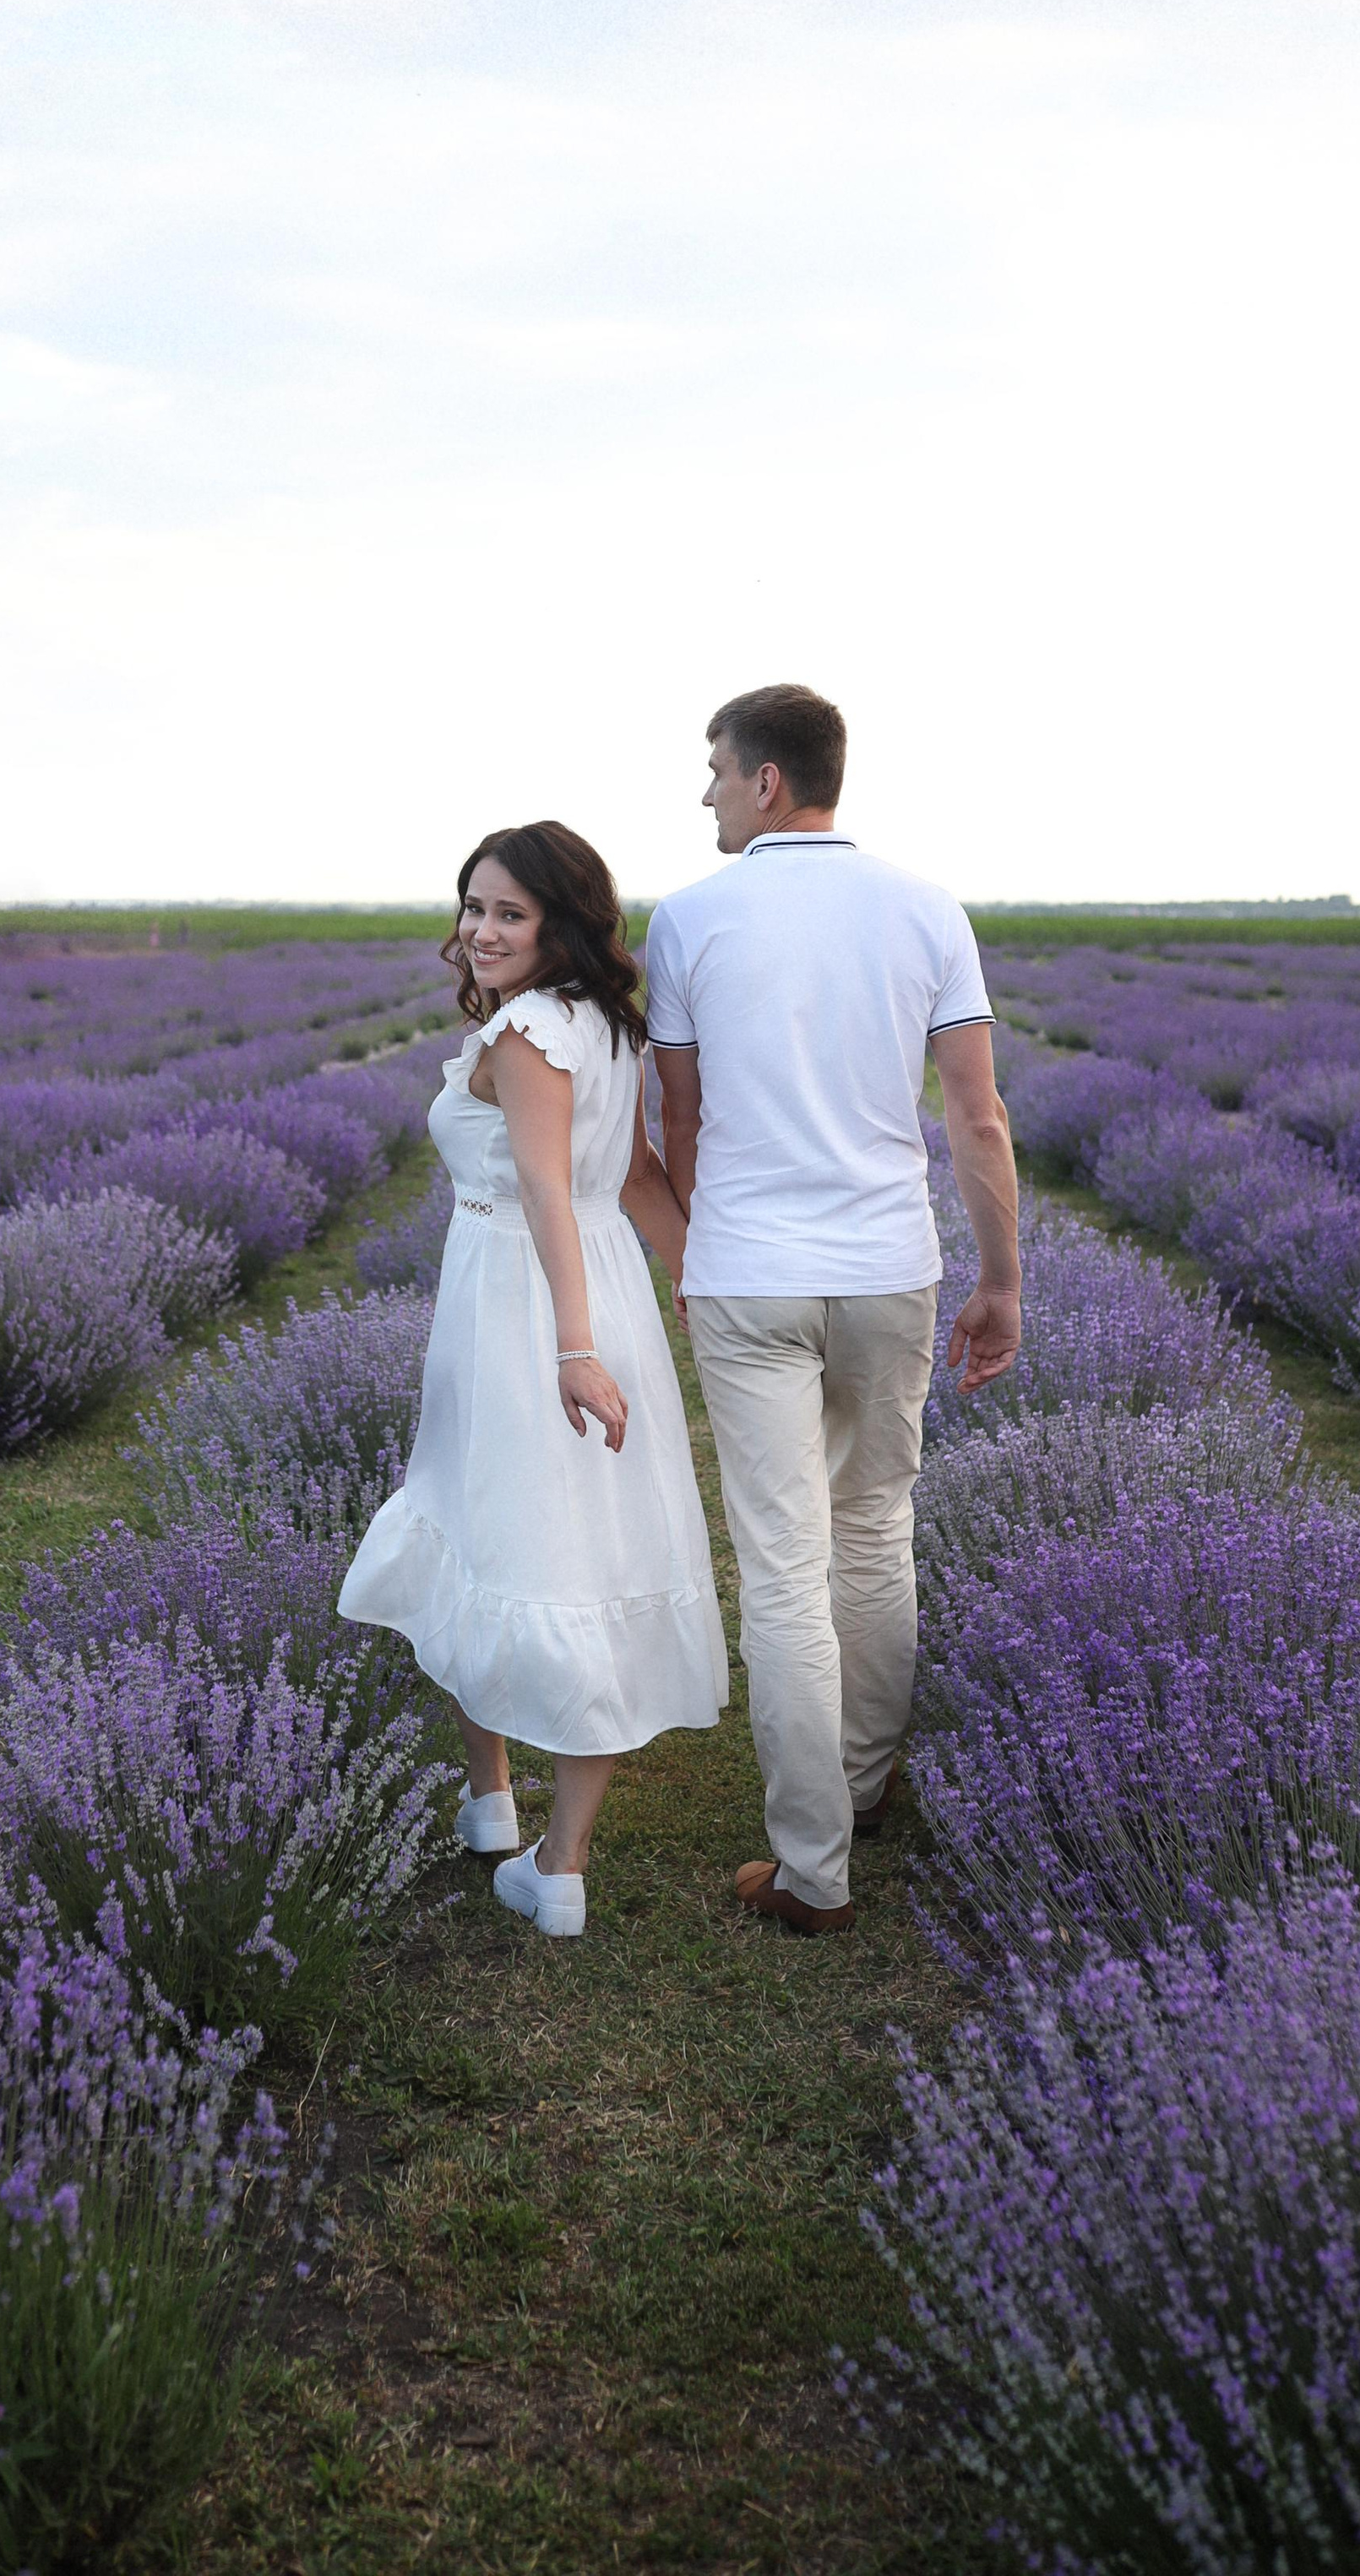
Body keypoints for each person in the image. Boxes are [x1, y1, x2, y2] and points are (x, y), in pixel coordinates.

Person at [646, 684, 1020, 1937]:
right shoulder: (926, 909)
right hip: (887, 1266)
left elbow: (682, 1118)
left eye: (714, 769)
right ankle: (864, 1784)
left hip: (751, 1269)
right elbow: (976, 1115)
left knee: (781, 1564)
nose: (704, 791)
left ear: (766, 782)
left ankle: (813, 1868)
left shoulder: (690, 918)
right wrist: (1001, 1281)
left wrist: (704, 1251)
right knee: (874, 1528)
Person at [339, 821, 729, 1938]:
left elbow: (550, 1191)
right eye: (474, 907)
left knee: (498, 1538)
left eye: (510, 912)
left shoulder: (523, 1032)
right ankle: (513, 1823)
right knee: (581, 1547)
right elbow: (638, 1176)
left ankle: (544, 1850)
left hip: (525, 1306)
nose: (482, 930)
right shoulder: (604, 1023)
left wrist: (571, 1348)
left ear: (561, 923)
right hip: (592, 1292)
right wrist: (696, 1278)